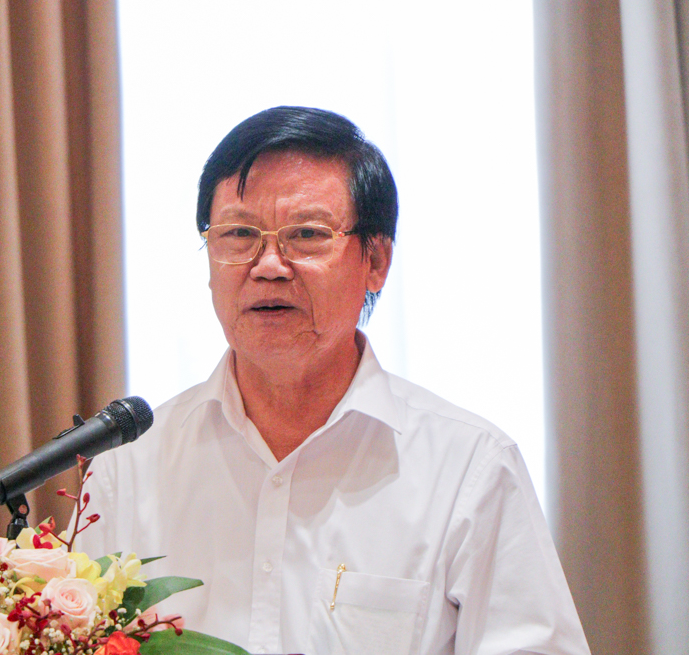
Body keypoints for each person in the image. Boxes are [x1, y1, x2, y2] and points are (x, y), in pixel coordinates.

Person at [77, 107, 590, 655]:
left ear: (376, 261)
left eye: (306, 235)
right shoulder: (127, 468)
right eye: (239, 234)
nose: (268, 265)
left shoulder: (471, 468)